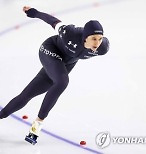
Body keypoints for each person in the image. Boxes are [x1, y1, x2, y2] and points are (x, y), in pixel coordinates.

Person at [0, 6, 109, 144]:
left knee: (27, 94)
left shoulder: (103, 48)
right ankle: (37, 125)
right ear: (85, 37)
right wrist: (35, 13)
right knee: (62, 81)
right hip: (50, 50)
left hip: (67, 63)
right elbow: (53, 21)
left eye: (100, 39)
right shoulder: (70, 33)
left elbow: (100, 45)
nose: (97, 43)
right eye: (94, 38)